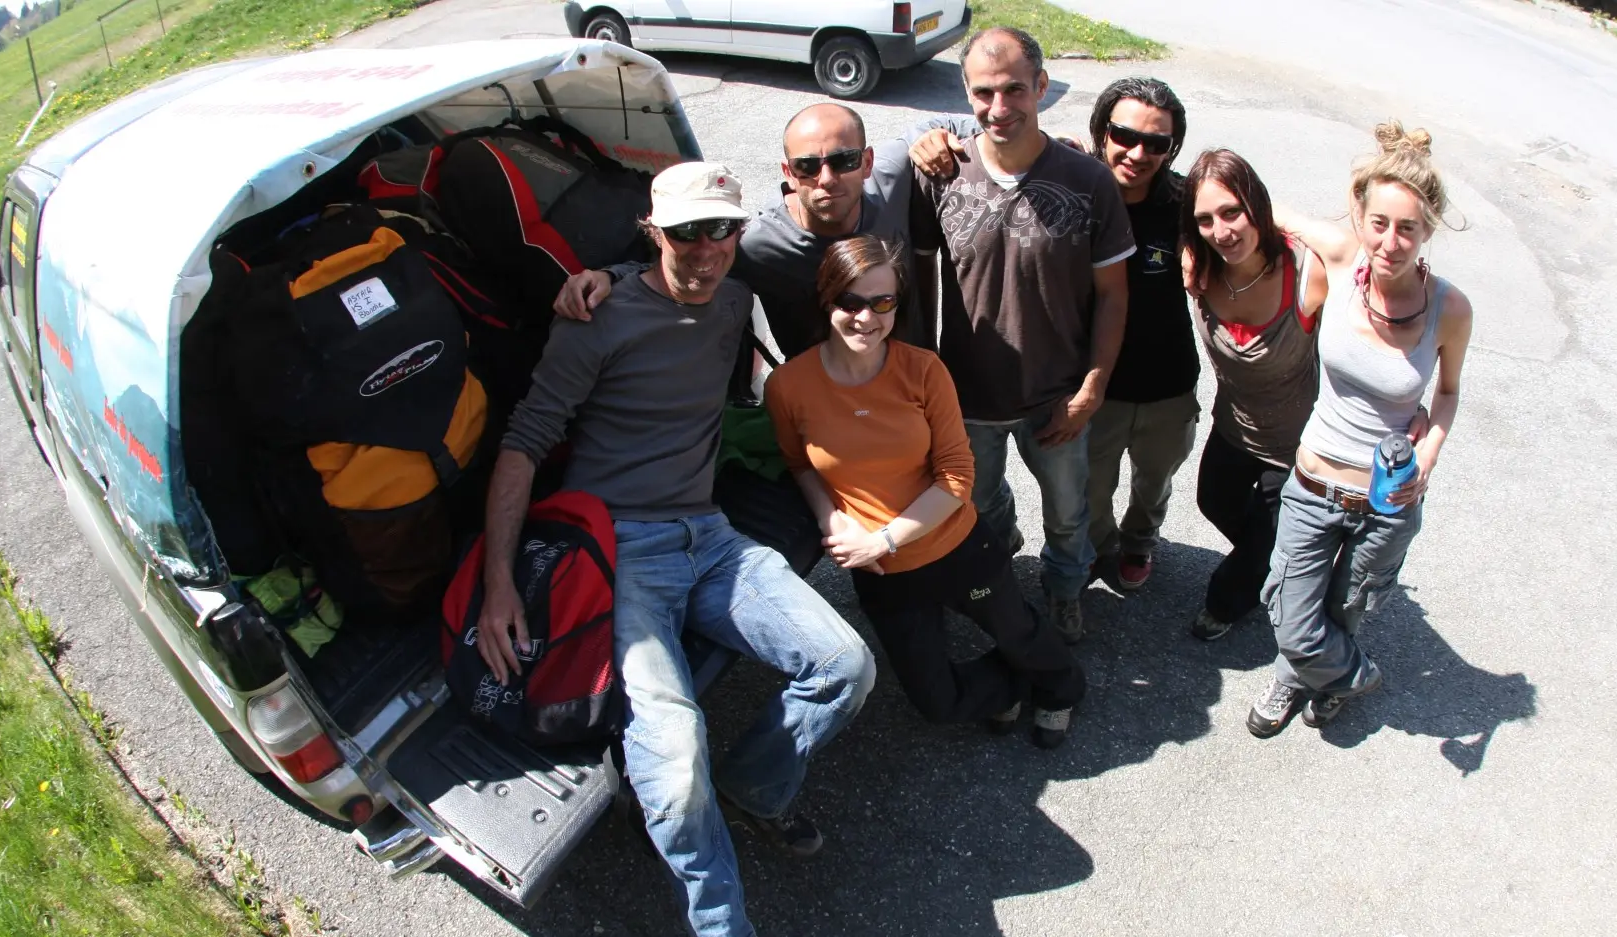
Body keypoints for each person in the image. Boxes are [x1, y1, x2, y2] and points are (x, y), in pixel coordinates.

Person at [477, 162, 877, 936]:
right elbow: (522, 446)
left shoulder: (733, 301)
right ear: (653, 232)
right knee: (674, 751)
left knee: (845, 665)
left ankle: (751, 787)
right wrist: (499, 584)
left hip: (713, 536)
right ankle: (721, 922)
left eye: (720, 229)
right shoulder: (596, 318)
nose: (705, 247)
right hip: (621, 553)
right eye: (686, 231)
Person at [765, 235, 1087, 747]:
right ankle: (1008, 688)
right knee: (936, 702)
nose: (866, 318)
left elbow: (956, 477)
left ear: (898, 305)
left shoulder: (922, 370)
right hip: (883, 574)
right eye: (850, 301)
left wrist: (883, 539)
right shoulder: (787, 385)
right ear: (826, 299)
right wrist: (833, 522)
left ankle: (1061, 688)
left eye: (882, 303)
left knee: (1019, 634)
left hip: (954, 546)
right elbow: (799, 464)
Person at [905, 27, 1136, 643]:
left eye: (1014, 89)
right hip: (967, 399)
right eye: (984, 92)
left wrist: (1091, 390)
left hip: (1057, 397)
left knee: (1068, 513)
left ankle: (1064, 590)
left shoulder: (1089, 181)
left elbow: (1114, 295)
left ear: (1042, 87)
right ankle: (1001, 554)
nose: (999, 107)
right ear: (966, 93)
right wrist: (927, 378)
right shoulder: (939, 174)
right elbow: (922, 280)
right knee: (977, 507)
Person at [1245, 122, 1473, 738]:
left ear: (1428, 232)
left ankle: (1308, 680)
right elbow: (1260, 205)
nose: (1390, 242)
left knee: (1349, 606)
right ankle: (1349, 675)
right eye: (1379, 223)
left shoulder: (1450, 309)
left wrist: (1429, 454)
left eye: (1408, 229)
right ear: (1360, 216)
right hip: (1314, 485)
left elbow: (1447, 393)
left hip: (1388, 500)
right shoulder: (1345, 258)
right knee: (1291, 612)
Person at [553, 102, 932, 354]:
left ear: (867, 162)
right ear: (788, 173)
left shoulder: (891, 178)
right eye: (807, 166)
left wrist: (939, 139)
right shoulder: (759, 244)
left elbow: (949, 122)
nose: (827, 178)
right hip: (821, 401)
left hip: (916, 383)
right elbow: (689, 264)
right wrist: (610, 276)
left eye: (844, 160)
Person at [1181, 148, 1329, 642]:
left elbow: (1354, 249)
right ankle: (1288, 560)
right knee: (1213, 503)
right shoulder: (1202, 266)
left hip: (1295, 448)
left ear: (1257, 207)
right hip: (1233, 428)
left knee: (1261, 543)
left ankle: (1228, 600)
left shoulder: (1307, 275)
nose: (1221, 231)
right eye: (1205, 220)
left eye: (1233, 212)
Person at [1077, 77, 1203, 597]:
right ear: (1101, 131)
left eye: (1156, 143)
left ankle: (1138, 542)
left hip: (1168, 386)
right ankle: (1098, 546)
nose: (1137, 153)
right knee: (1090, 488)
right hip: (1095, 385)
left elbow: (1250, 215)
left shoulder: (1186, 202)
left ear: (1172, 148)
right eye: (1125, 135)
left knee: (1154, 484)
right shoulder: (1075, 188)